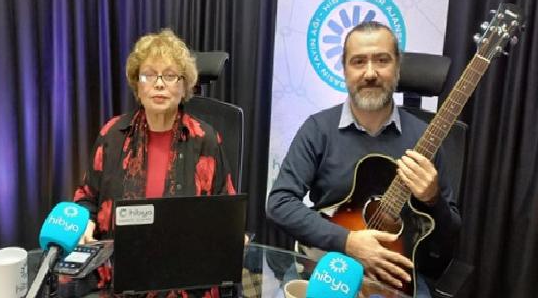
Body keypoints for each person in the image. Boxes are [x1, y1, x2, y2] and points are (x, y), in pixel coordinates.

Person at [266, 21, 461, 297]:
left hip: (394, 278)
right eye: (358, 62)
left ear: (397, 67)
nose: (370, 73)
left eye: (382, 60)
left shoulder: (426, 138)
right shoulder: (318, 129)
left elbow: (450, 236)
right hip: (327, 265)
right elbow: (279, 203)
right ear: (345, 70)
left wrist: (433, 199)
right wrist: (348, 241)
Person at [73, 29, 237, 290]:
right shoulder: (112, 134)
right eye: (149, 75)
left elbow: (225, 211)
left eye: (170, 76)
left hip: (187, 280)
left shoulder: (205, 139)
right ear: (138, 85)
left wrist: (229, 233)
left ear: (184, 86)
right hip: (119, 278)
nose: (159, 84)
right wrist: (85, 221)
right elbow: (86, 197)